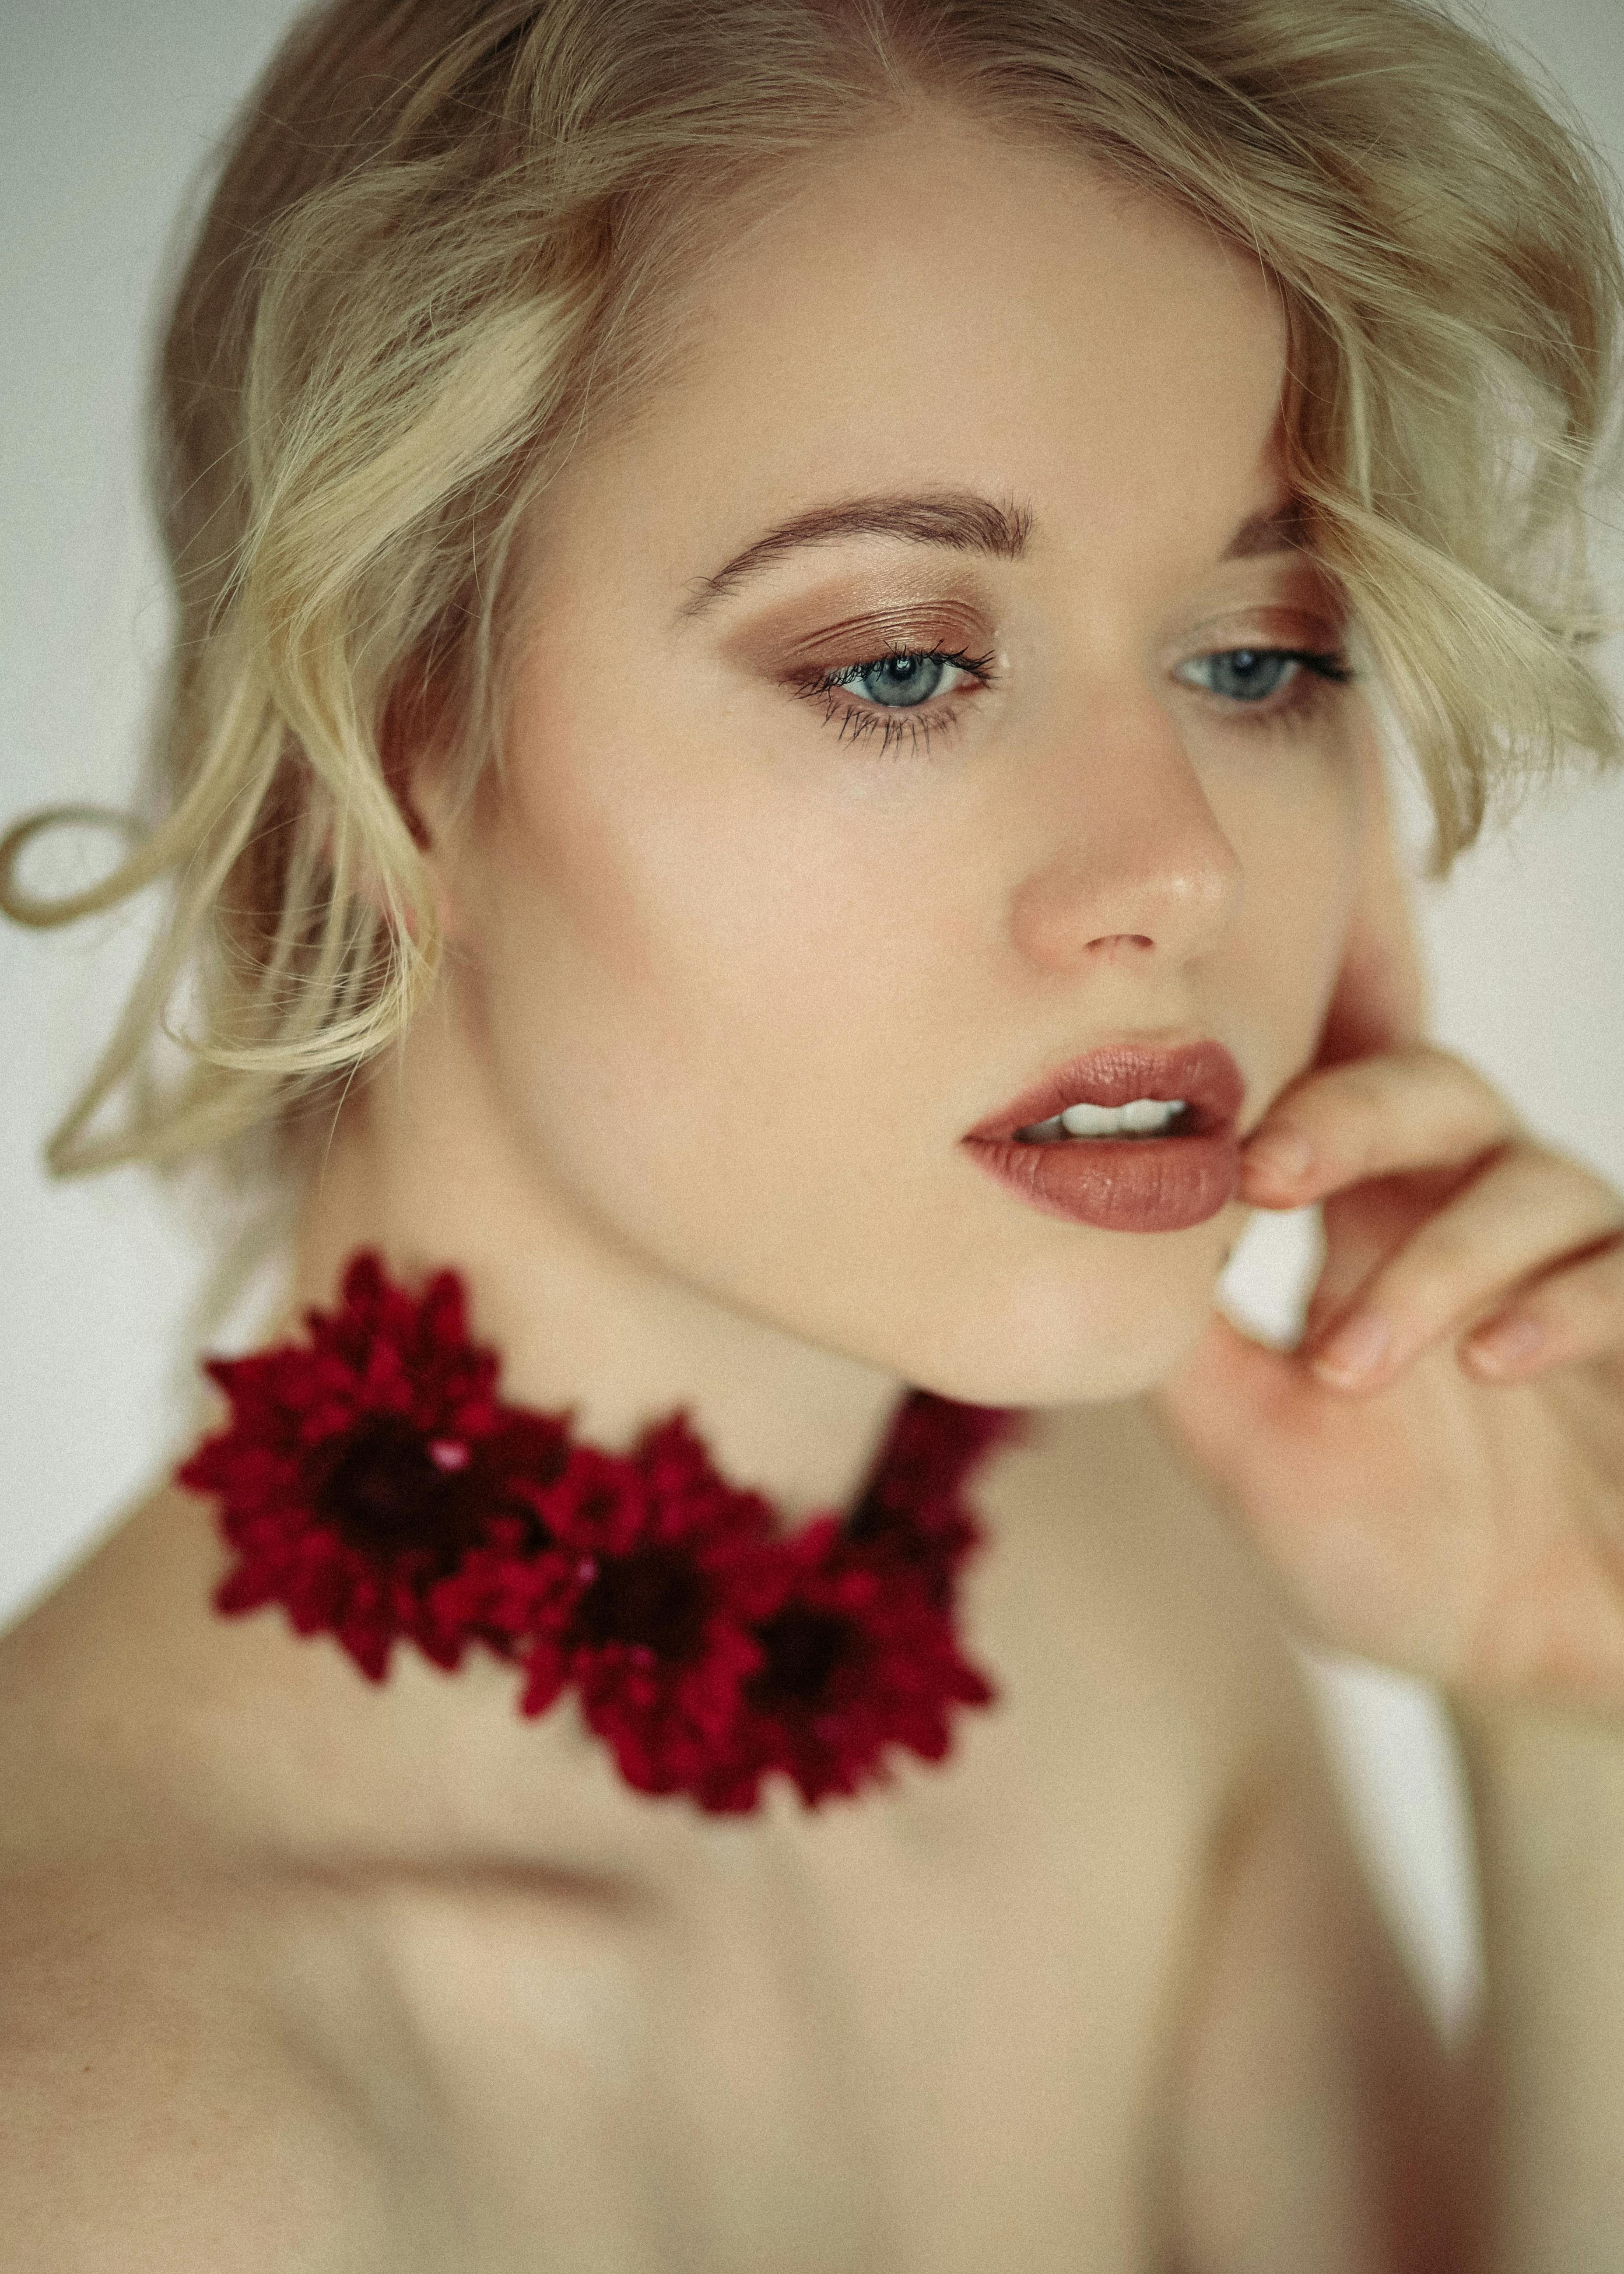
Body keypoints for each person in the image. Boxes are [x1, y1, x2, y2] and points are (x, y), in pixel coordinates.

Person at [3, 0, 1622, 2264]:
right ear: (399, 752)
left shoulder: (1118, 1565)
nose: (1178, 868)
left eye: (1256, 655)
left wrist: (1573, 1729)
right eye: (895, 664)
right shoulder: (114, 2140)